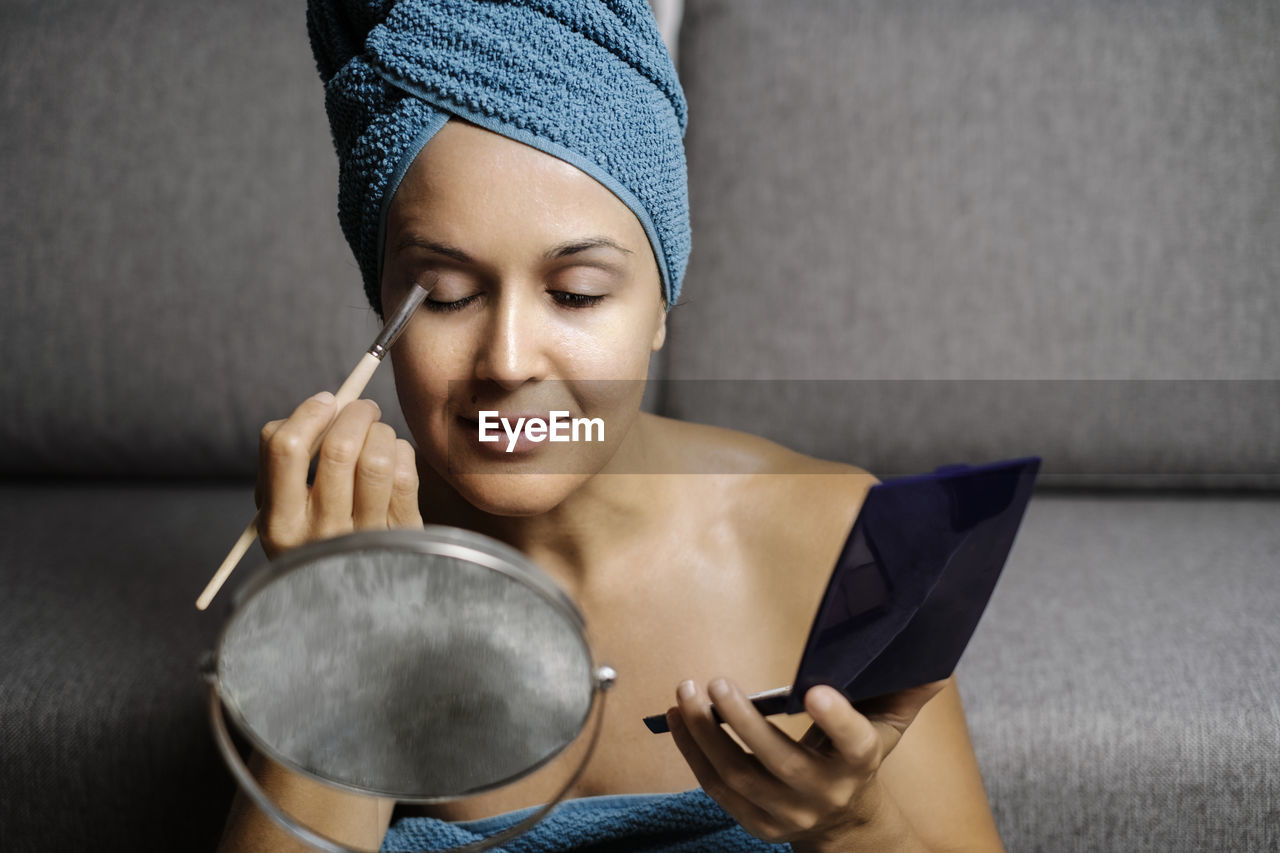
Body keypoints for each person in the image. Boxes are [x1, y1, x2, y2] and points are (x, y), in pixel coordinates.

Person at [217, 2, 1007, 851]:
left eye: (577, 293)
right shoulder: (342, 552)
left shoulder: (846, 539)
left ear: (660, 305)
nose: (509, 360)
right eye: (445, 295)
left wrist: (855, 825)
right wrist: (339, 646)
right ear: (385, 305)